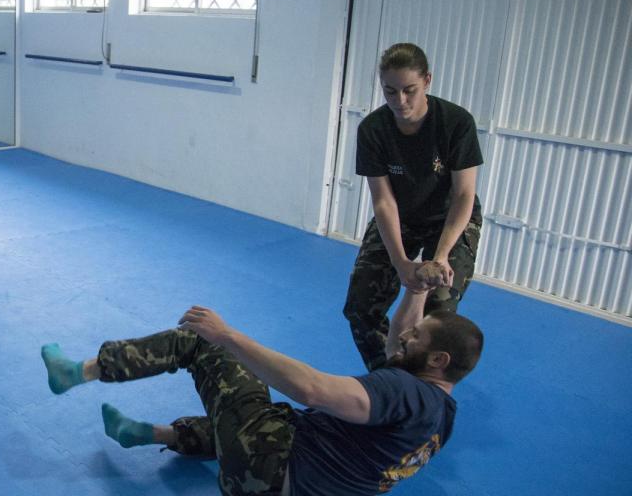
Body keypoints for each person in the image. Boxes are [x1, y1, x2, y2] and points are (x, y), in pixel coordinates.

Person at [41, 263, 483, 496]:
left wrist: (228, 334)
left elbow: (314, 389)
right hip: (281, 484)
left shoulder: (402, 390)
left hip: (265, 465)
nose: (404, 334)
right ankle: (151, 434)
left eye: (417, 337)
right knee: (263, 412)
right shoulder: (440, 414)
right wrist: (416, 290)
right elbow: (393, 351)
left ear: (438, 359)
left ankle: (78, 371)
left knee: (203, 343)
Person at [344, 43, 484, 372]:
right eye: (390, 92)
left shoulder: (455, 122)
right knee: (360, 308)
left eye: (410, 90)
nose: (400, 101)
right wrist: (402, 264)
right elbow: (383, 200)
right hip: (401, 216)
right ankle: (390, 380)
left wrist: (440, 255)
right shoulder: (373, 130)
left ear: (427, 81)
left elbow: (464, 195)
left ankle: (424, 388)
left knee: (440, 312)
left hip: (448, 218)